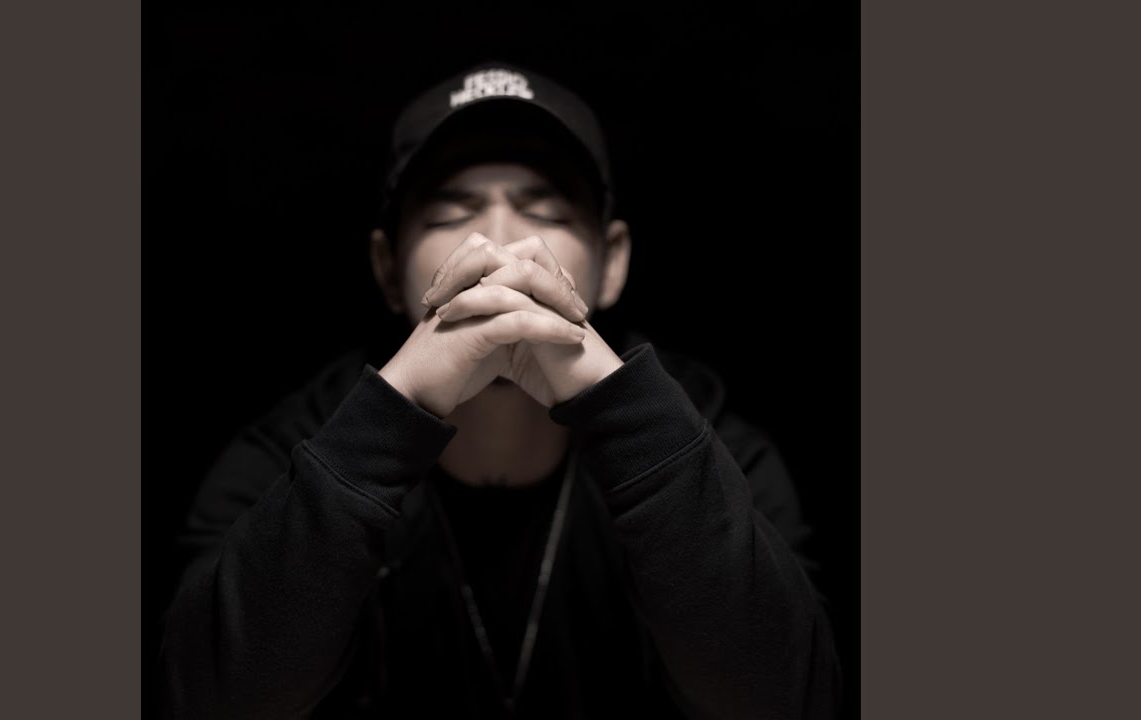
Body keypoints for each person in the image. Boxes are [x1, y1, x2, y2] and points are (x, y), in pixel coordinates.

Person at [156, 61, 841, 719]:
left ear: (612, 263)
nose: (499, 244)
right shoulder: (292, 452)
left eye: (547, 212)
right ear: (388, 269)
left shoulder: (711, 449)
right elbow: (204, 698)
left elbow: (790, 700)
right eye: (450, 215)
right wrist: (390, 415)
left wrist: (623, 407)